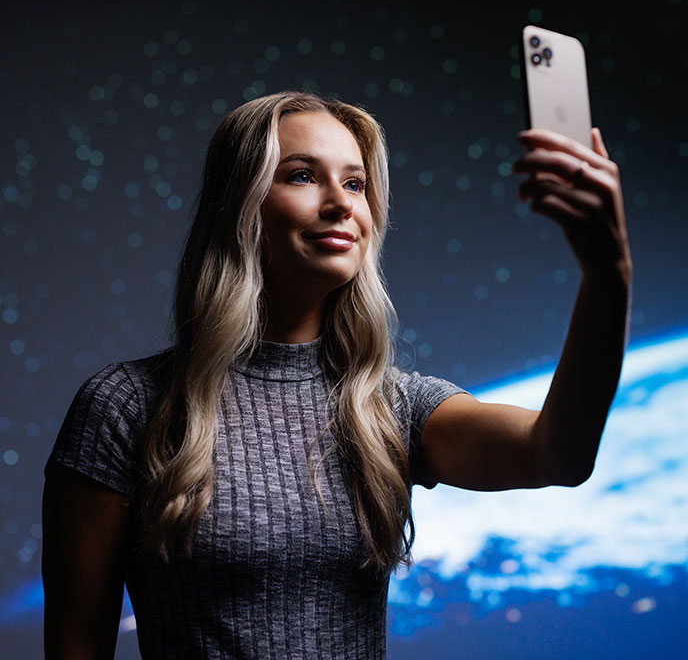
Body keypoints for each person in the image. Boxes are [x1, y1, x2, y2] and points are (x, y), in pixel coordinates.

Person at [42, 91, 632, 659]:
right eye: (302, 176)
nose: (342, 203)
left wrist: (607, 274)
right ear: (240, 203)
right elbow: (75, 647)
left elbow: (557, 456)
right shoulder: (125, 405)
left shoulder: (394, 408)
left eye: (355, 183)